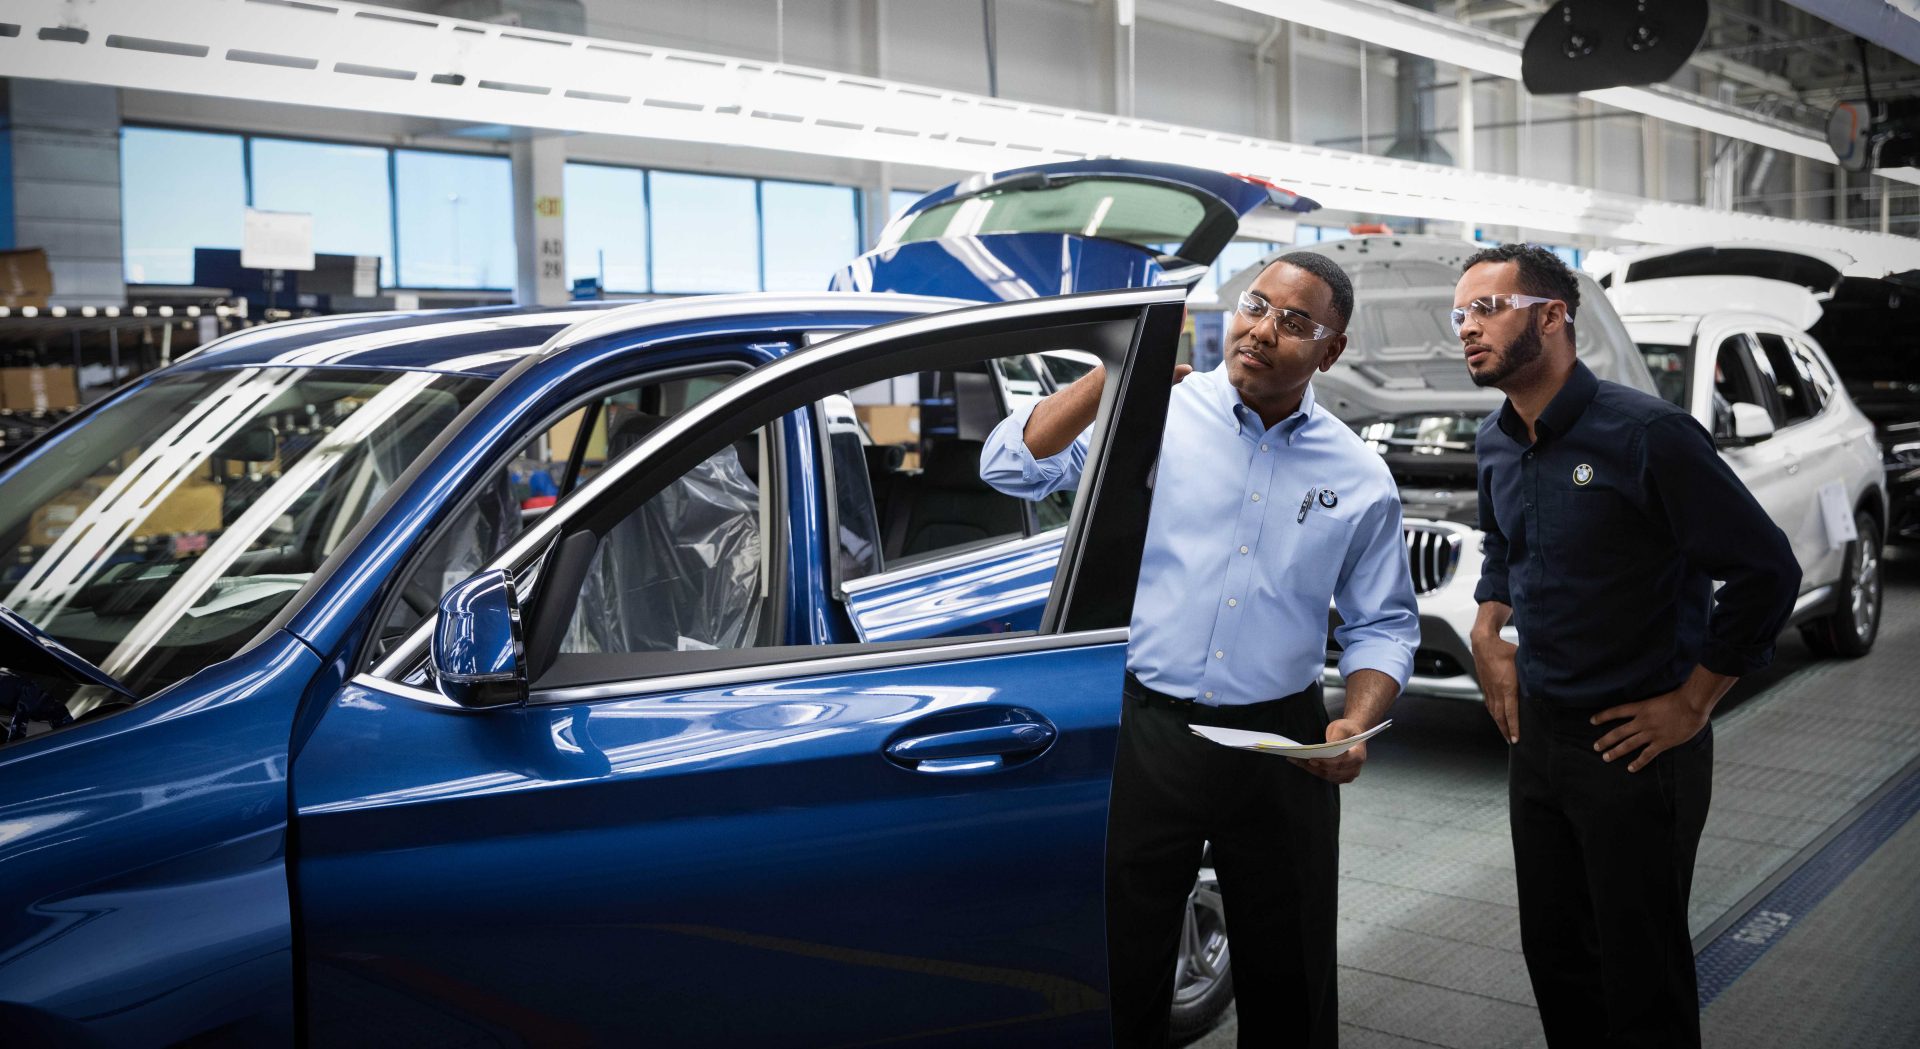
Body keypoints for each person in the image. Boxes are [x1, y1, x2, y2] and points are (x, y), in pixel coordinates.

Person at [979, 251, 1419, 1049]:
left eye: (1294, 322)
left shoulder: (1357, 475)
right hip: (1148, 729)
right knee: (1124, 963)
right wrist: (1117, 381)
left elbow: (1383, 623)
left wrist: (1355, 719)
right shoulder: (1155, 414)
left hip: (1282, 743)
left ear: (1331, 349)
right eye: (1256, 305)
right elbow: (1010, 465)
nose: (1262, 329)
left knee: (1290, 976)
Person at [1457, 243, 1800, 1048]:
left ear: (1551, 317)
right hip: (1539, 737)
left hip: (1638, 744)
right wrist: (1486, 621)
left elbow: (1766, 570)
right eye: (1460, 313)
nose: (1468, 327)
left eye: (1487, 308)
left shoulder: (1649, 436)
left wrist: (1694, 701)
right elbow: (1503, 543)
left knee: (1638, 969)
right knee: (1555, 951)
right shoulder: (1496, 440)